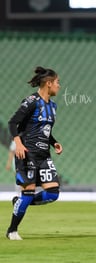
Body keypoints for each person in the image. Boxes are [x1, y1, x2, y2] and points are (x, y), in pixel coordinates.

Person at [6, 66, 63, 240]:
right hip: (27, 153)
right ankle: (12, 230)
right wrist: (18, 144)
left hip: (44, 155)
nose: (59, 86)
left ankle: (20, 203)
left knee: (53, 192)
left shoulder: (52, 106)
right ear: (48, 83)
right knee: (28, 192)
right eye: (57, 82)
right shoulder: (32, 101)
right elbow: (13, 123)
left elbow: (42, 128)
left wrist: (54, 142)